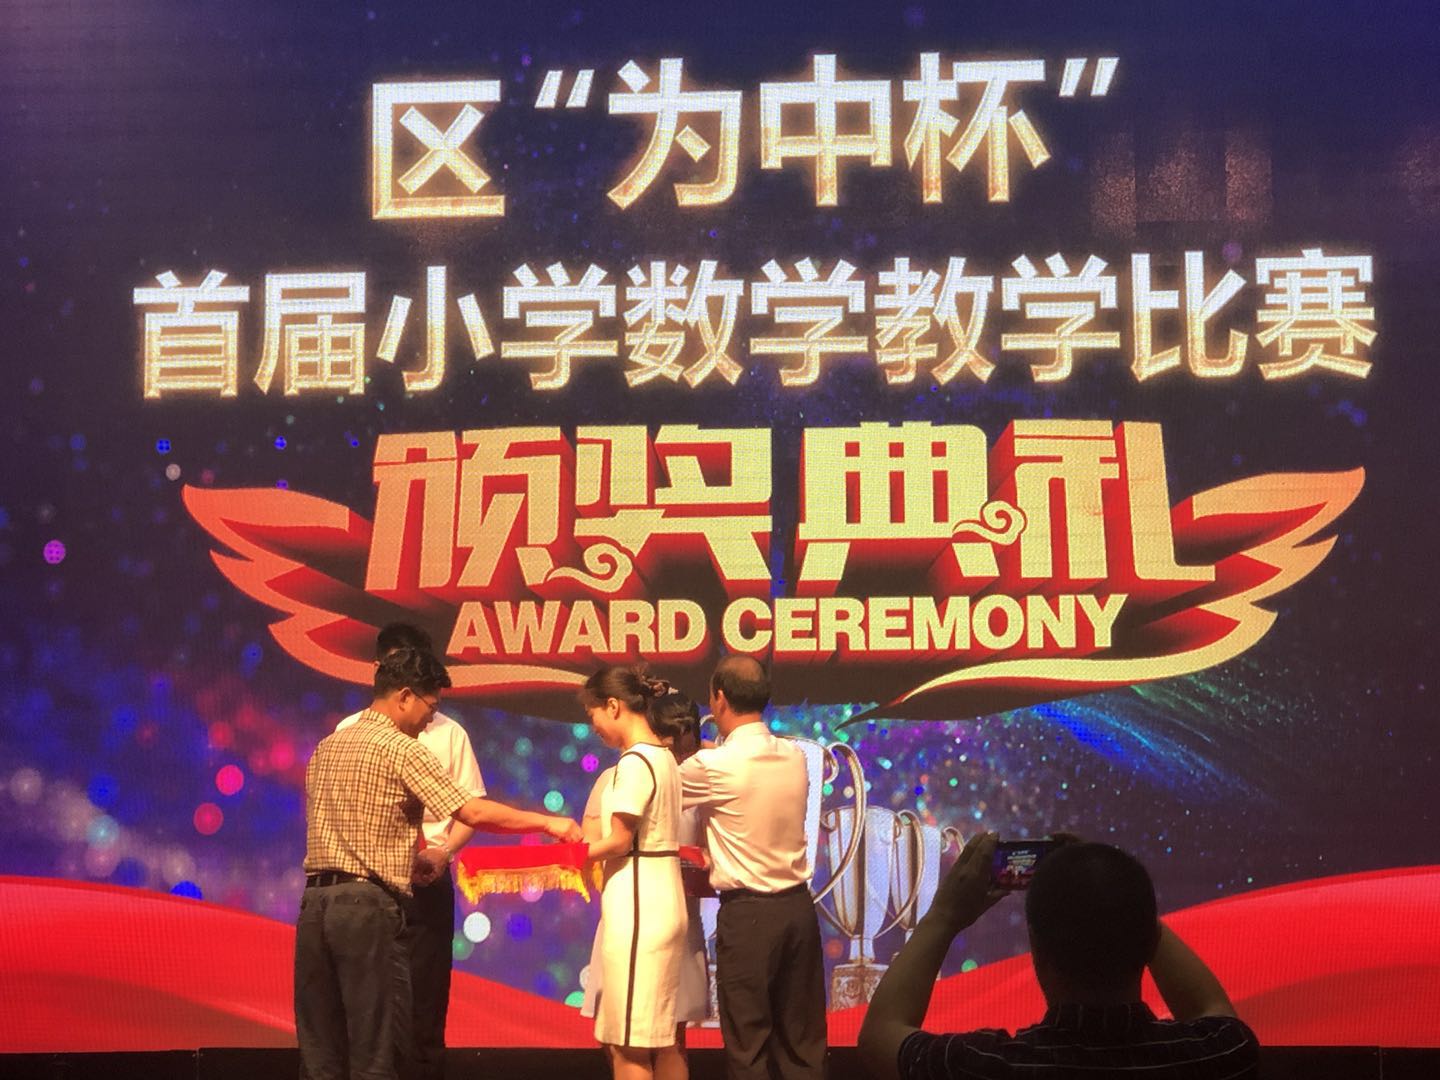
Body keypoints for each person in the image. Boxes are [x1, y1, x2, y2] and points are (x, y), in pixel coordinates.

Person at [296, 647, 580, 1080]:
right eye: (430, 707)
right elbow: (472, 811)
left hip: (314, 909)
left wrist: (406, 857)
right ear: (405, 696)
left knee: (320, 1052)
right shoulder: (401, 748)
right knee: (378, 1050)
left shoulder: (327, 747)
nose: (430, 720)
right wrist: (547, 822)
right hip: (367, 911)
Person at [858, 834, 1261, 1080]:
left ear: (1037, 948)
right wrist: (1111, 890)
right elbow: (1210, 1008)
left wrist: (944, 917)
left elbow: (880, 1034)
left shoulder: (985, 1066)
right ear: (1147, 940)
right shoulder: (1219, 1055)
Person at [333, 622, 482, 1080]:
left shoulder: (449, 733)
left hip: (427, 881)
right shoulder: (348, 732)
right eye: (399, 666)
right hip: (371, 887)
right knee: (367, 1007)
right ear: (380, 669)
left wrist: (442, 853)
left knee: (425, 1007)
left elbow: (470, 809)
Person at [678, 656, 826, 1080]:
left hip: (749, 918)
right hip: (798, 911)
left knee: (748, 1046)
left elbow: (656, 785)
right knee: (804, 1045)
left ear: (720, 698)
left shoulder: (711, 766)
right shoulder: (794, 755)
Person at [580, 690, 710, 1047]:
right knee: (634, 1037)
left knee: (648, 1040)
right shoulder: (630, 773)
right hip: (638, 906)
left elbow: (618, 841)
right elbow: (594, 836)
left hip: (654, 911)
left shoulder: (654, 768)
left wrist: (572, 856)